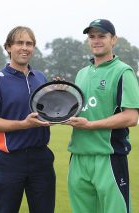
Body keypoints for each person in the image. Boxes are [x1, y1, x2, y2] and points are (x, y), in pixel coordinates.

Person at [65, 19, 139, 213]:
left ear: (113, 40)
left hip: (109, 156)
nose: (96, 40)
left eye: (102, 36)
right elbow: (77, 110)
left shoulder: (123, 71)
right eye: (92, 36)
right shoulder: (81, 74)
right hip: (79, 156)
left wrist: (90, 125)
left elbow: (131, 117)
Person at [0, 26, 56, 213]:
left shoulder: (40, 77)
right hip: (10, 160)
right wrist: (24, 124)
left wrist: (60, 98)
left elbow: (48, 113)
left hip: (42, 158)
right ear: (8, 47)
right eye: (19, 43)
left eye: (29, 44)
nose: (25, 48)